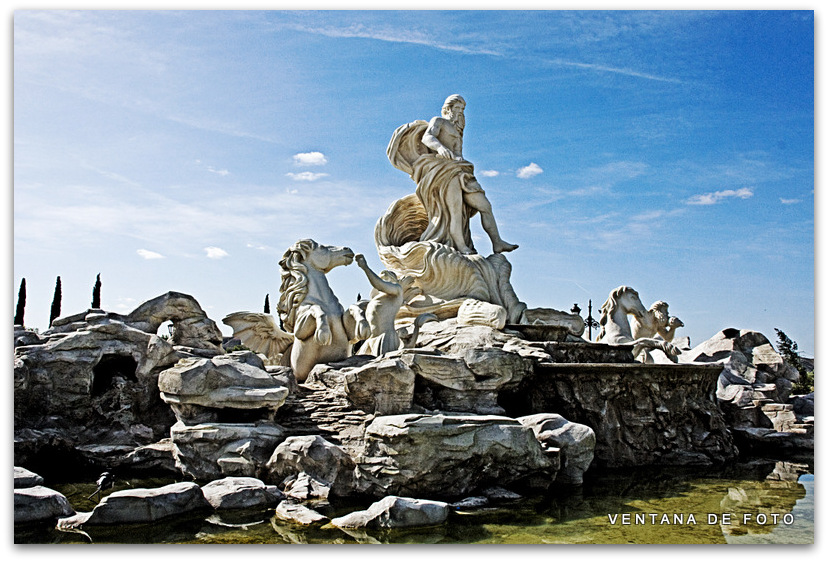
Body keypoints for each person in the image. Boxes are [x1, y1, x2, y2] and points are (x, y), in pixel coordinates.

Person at [402, 94, 518, 255]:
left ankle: (497, 242)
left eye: (462, 109)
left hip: (462, 171)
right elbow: (427, 137)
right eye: (457, 108)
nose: (460, 112)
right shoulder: (439, 121)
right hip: (445, 172)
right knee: (454, 210)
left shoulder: (458, 129)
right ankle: (461, 245)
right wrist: (440, 148)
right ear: (448, 109)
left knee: (484, 205)